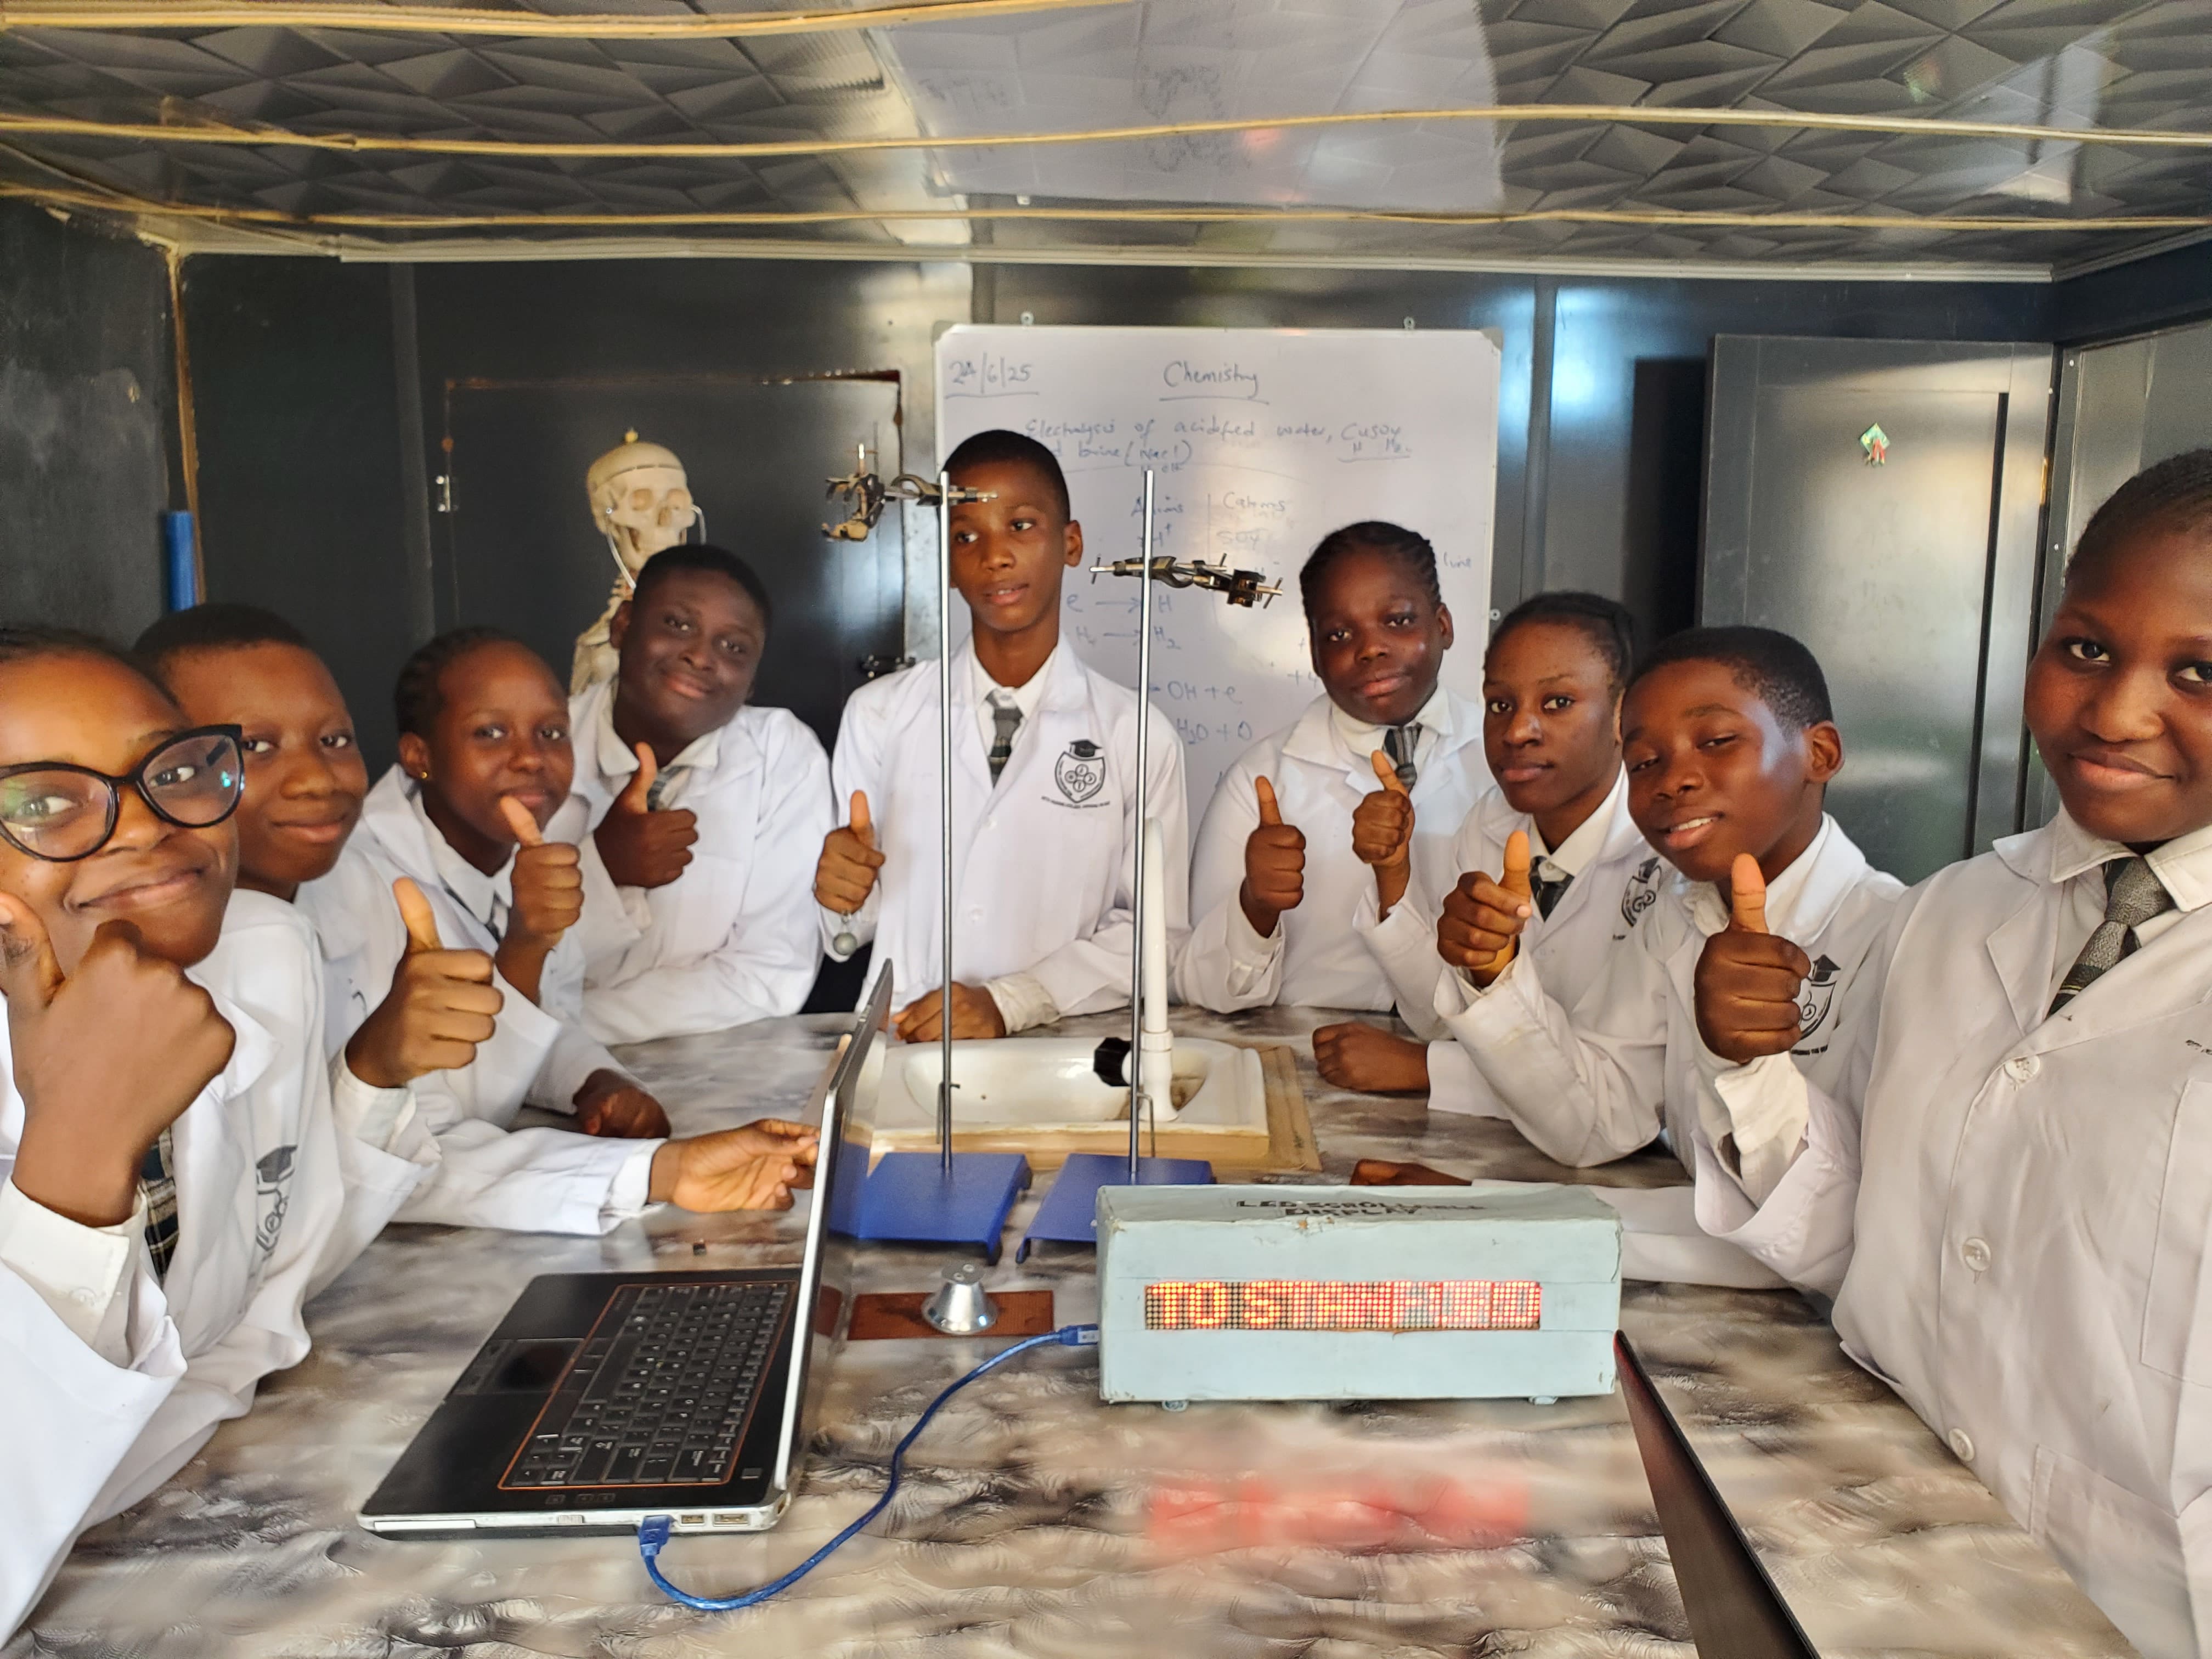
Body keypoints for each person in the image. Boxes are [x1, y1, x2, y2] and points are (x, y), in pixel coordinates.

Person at [1695, 452, 2212, 1657]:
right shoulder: (1953, 912)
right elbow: (1857, 1239)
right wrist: (1755, 1068)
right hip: (1884, 1547)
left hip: (2144, 1608)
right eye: (2086, 647)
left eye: (2199, 671)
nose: (2118, 711)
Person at [0, 628, 437, 1632]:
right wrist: (74, 1160)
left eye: (174, 769)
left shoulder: (261, 955)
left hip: (157, 1545)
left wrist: (372, 1075)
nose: (148, 825)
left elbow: (261, 1309)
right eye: (43, 799)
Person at [296, 627, 813, 1235]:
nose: (530, 758)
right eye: (490, 733)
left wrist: (591, 1079)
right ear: (419, 756)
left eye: (552, 732)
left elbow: (553, 1013)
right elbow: (419, 1142)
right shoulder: (359, 886)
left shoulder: (522, 850)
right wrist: (661, 1171)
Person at [1436, 625, 1901, 1180]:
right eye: (1644, 763)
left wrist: (1747, 1067)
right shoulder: (1678, 916)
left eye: (1716, 742)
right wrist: (1496, 976)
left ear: (1818, 754)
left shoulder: (1894, 938)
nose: (1673, 780)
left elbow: (1846, 1223)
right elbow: (1595, 1119)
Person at [812, 429, 1187, 1040]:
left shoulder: (1135, 735)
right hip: (907, 1053)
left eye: (1021, 526)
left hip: (1065, 1063)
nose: (995, 556)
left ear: (1071, 543)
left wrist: (1012, 1001)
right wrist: (839, 896)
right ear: (948, 563)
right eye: (966, 536)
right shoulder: (879, 715)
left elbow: (1156, 937)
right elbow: (850, 934)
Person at [1314, 591, 1646, 1109]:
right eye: (1500, 704)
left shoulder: (1663, 855)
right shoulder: (1492, 823)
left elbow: (1635, 1100)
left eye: (1557, 703)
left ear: (1626, 715)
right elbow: (1444, 1017)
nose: (1517, 731)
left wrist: (1428, 1072)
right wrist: (1394, 872)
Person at [1175, 521, 1489, 1017]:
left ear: (1444, 625)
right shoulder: (1261, 780)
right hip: (1299, 1050)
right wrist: (1255, 906)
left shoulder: (1501, 762)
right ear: (1315, 654)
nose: (1370, 649)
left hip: (1469, 1062)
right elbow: (1199, 987)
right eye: (1340, 634)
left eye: (1399, 621)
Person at [549, 544, 832, 1044]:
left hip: (714, 1069)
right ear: (622, 627)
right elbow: (499, 959)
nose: (701, 656)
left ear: (750, 683)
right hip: (527, 1083)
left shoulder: (779, 755)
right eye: (677, 625)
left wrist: (562, 1029)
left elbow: (770, 975)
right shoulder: (541, 751)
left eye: (734, 648)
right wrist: (602, 872)